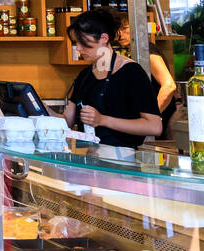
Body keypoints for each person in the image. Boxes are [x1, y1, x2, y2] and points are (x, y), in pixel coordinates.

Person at [62, 9, 161, 148]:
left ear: (104, 38)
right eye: (75, 42)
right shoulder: (85, 76)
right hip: (90, 159)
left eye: (83, 43)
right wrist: (39, 108)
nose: (78, 48)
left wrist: (102, 120)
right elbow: (66, 121)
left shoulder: (131, 73)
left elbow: (154, 126)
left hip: (123, 161)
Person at [117, 21, 177, 137]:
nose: (120, 34)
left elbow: (169, 86)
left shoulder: (148, 51)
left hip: (166, 118)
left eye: (124, 29)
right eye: (118, 30)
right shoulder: (136, 53)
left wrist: (153, 116)